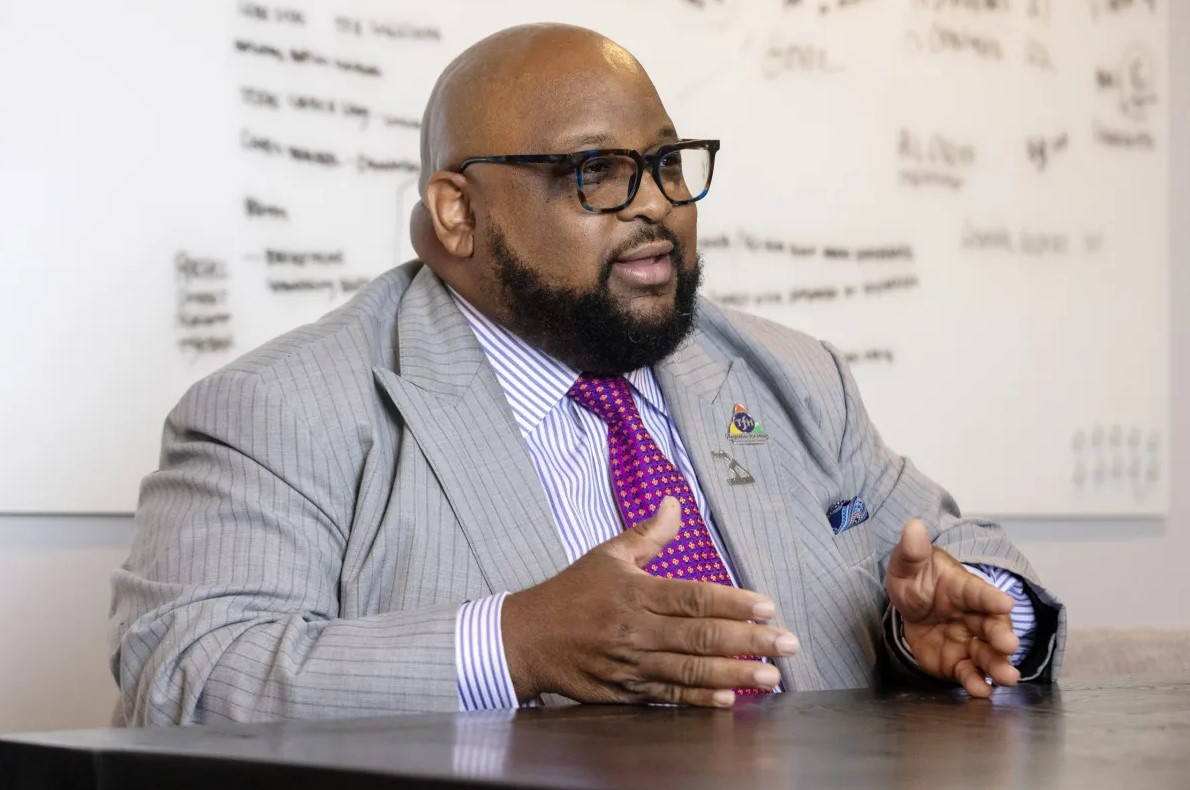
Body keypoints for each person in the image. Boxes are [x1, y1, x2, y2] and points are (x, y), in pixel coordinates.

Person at [110, 24, 1063, 726]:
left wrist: (956, 618)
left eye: (667, 163)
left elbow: (952, 545)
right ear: (458, 213)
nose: (657, 207)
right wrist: (515, 645)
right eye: (595, 172)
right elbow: (185, 675)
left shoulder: (788, 373)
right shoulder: (280, 410)